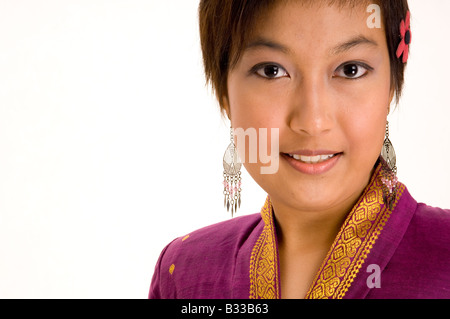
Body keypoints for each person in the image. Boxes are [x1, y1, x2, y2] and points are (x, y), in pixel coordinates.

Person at [149, 0, 450, 299]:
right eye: (271, 71)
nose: (313, 121)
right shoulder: (186, 273)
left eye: (350, 69)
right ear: (224, 95)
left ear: (391, 88)